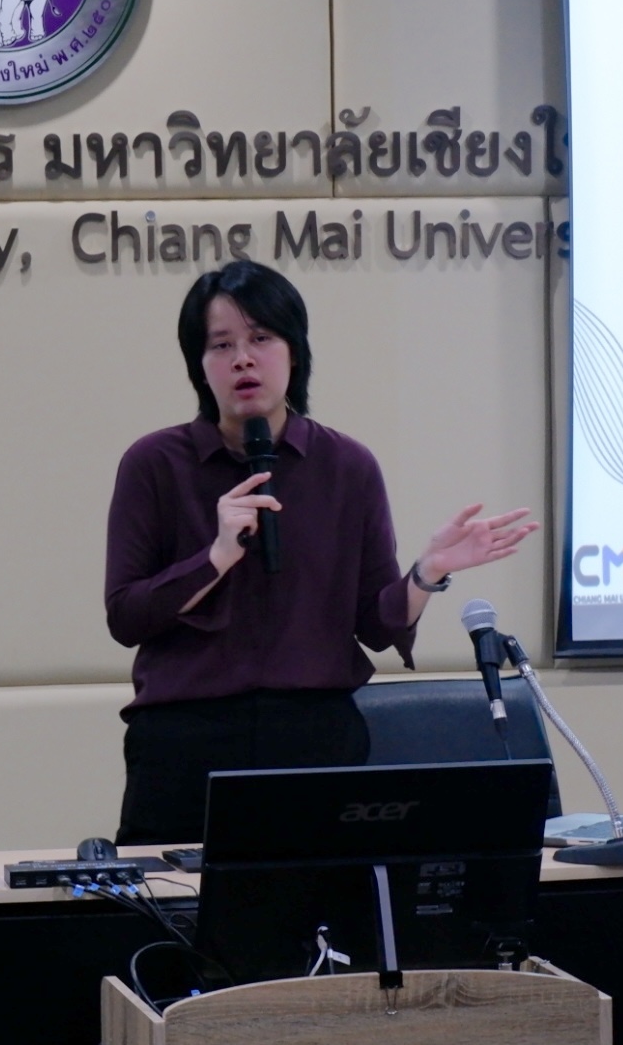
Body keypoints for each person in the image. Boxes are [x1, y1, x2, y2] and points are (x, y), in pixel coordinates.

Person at [104, 261, 539, 845]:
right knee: (174, 904)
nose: (243, 359)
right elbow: (126, 617)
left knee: (324, 901)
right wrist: (215, 557)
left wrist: (427, 572)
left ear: (295, 351)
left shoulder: (346, 466)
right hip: (184, 743)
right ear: (198, 364)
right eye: (221, 345)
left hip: (315, 738)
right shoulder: (155, 464)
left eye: (261, 338)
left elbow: (377, 627)